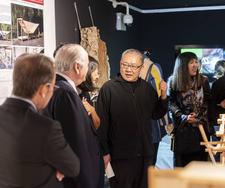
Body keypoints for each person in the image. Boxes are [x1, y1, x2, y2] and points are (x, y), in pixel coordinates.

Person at [0, 53, 80, 188]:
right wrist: (54, 168)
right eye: (53, 88)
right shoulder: (46, 128)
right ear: (44, 89)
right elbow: (72, 167)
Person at [96, 49, 168, 188]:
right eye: (125, 65)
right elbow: (101, 124)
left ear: (140, 68)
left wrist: (164, 96)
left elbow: (156, 114)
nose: (128, 69)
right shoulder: (108, 89)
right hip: (120, 156)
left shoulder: (147, 89)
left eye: (133, 66)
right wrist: (104, 152)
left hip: (145, 154)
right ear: (120, 64)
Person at [43, 44, 100, 188]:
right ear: (77, 67)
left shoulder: (51, 87)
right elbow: (76, 143)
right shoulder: (66, 93)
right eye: (87, 65)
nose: (88, 70)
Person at [169, 52, 211, 167]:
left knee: (201, 167)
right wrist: (183, 117)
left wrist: (197, 118)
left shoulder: (203, 80)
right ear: (182, 65)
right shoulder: (173, 81)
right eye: (191, 62)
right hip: (182, 131)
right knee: (182, 168)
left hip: (201, 130)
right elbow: (171, 103)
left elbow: (207, 103)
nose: (195, 65)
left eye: (196, 61)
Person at [77, 56, 104, 188]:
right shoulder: (73, 94)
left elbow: (96, 125)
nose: (98, 75)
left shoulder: (85, 94)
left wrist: (92, 111)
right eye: (96, 72)